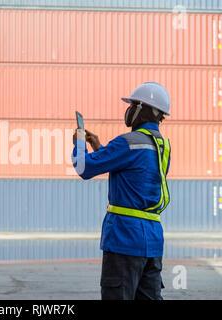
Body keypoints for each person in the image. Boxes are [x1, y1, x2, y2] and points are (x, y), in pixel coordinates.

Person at [72, 82, 171, 300]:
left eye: (133, 105)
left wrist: (80, 142)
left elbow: (83, 167)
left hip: (124, 239)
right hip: (152, 242)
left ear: (145, 110)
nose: (128, 110)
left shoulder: (127, 142)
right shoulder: (163, 147)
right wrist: (101, 148)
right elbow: (134, 176)